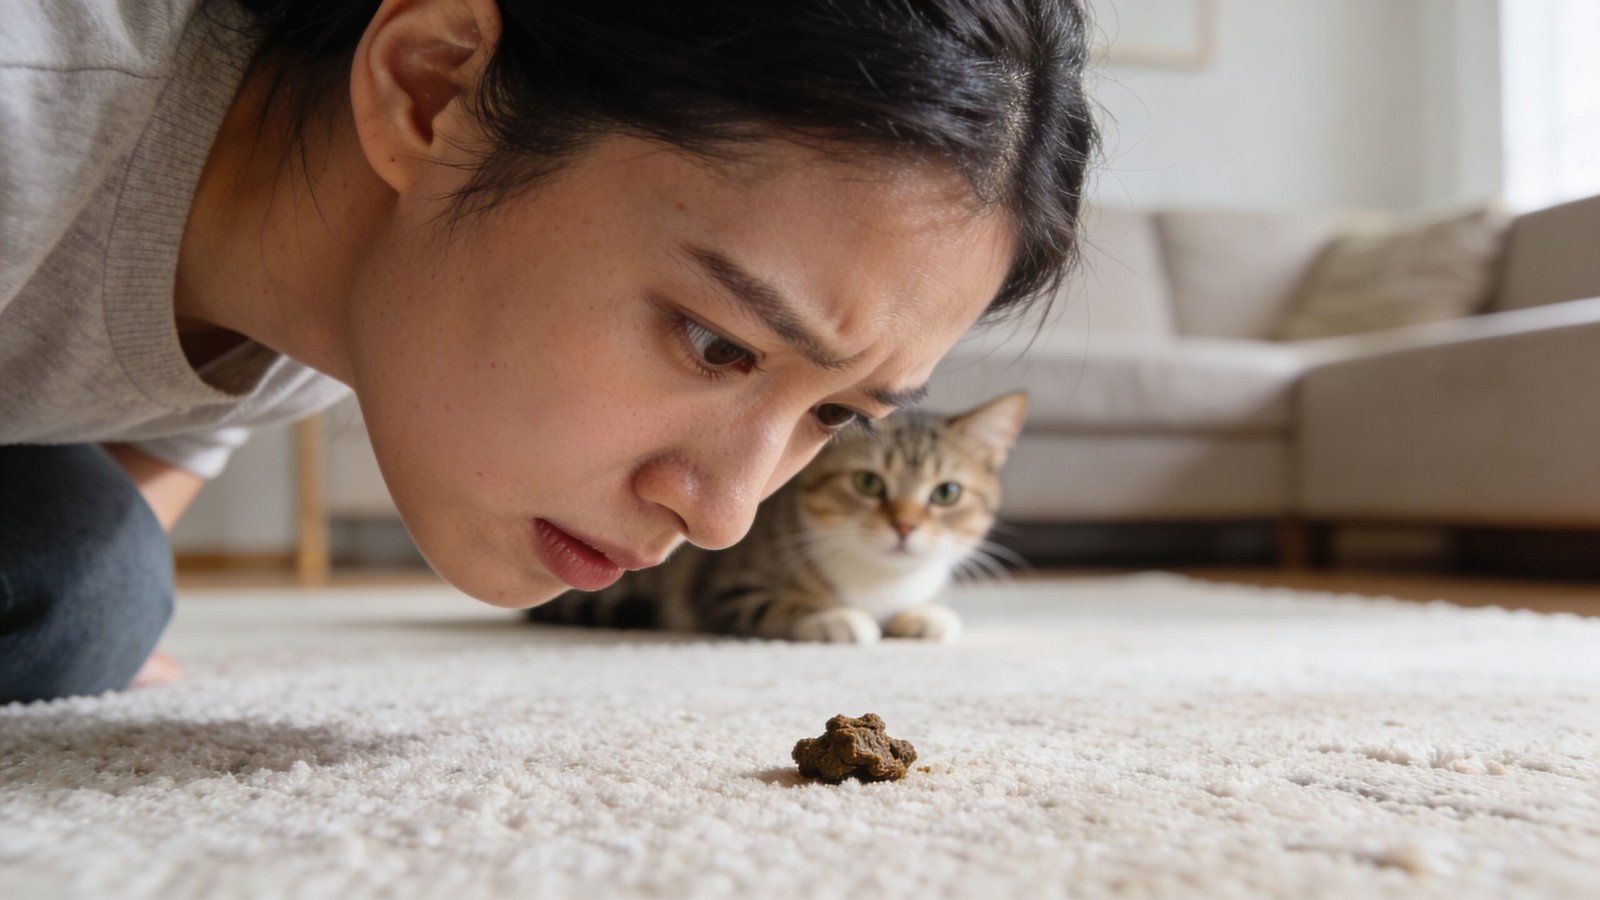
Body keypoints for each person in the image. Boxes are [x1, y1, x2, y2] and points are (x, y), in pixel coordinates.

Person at [0, 0, 1097, 703]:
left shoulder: (348, 281)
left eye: (836, 414)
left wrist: (100, 610)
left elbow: (168, 424)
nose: (723, 518)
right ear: (433, 86)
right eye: (715, 343)